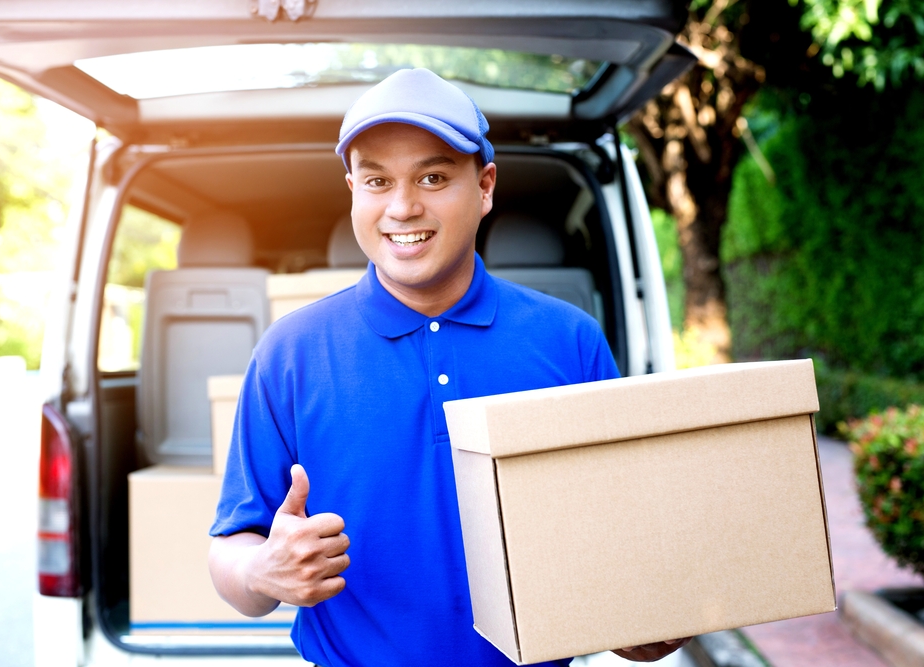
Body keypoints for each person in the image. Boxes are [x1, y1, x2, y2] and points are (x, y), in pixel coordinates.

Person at [207, 68, 690, 666]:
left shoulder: (569, 341)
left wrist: (645, 624)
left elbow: (627, 551)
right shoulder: (289, 354)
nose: (403, 207)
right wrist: (263, 569)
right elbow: (230, 550)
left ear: (485, 185)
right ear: (352, 189)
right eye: (377, 181)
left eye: (433, 177)